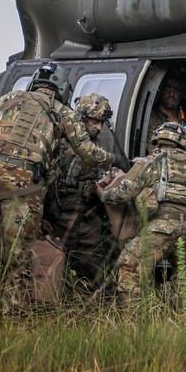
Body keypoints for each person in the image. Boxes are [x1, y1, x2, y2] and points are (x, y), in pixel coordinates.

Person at [0, 62, 114, 312]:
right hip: (22, 185)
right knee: (17, 258)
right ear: (62, 89)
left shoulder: (6, 100)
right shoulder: (62, 112)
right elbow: (87, 152)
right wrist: (114, 159)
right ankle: (12, 315)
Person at [99, 122, 186, 302]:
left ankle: (133, 320)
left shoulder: (150, 161)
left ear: (157, 139)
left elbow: (123, 194)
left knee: (129, 268)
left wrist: (103, 194)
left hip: (161, 228)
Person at [43, 93, 119, 288]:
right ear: (81, 118)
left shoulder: (97, 147)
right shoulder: (59, 142)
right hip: (58, 220)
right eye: (94, 121)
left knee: (97, 275)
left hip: (87, 222)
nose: (99, 127)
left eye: (101, 122)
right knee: (50, 271)